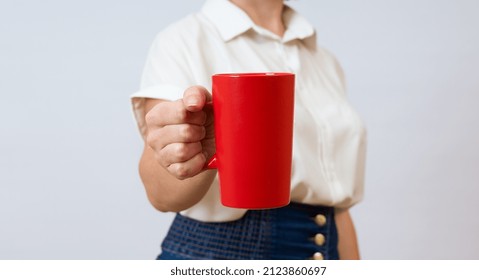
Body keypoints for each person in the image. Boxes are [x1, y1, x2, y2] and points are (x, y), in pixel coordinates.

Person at [131, 0, 366, 260]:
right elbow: (161, 194)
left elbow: (336, 202)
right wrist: (197, 151)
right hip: (220, 254)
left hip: (327, 244)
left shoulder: (322, 59)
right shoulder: (183, 40)